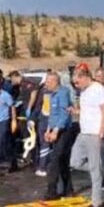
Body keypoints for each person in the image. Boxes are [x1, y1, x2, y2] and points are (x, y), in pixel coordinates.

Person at [69, 64, 104, 207]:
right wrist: (75, 111)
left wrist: (102, 131)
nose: (76, 85)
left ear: (85, 77)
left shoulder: (98, 89)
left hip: (94, 133)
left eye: (77, 82)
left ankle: (97, 202)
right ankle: (102, 171)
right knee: (74, 161)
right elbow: (87, 111)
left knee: (94, 168)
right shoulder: (84, 92)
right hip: (83, 132)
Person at [43, 72, 74, 200]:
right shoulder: (51, 95)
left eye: (48, 82)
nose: (46, 84)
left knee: (55, 160)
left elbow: (64, 114)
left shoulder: (63, 93)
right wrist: (48, 130)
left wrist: (55, 131)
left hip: (63, 130)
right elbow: (52, 115)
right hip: (55, 129)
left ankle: (51, 191)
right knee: (62, 160)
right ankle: (68, 189)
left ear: (56, 81)